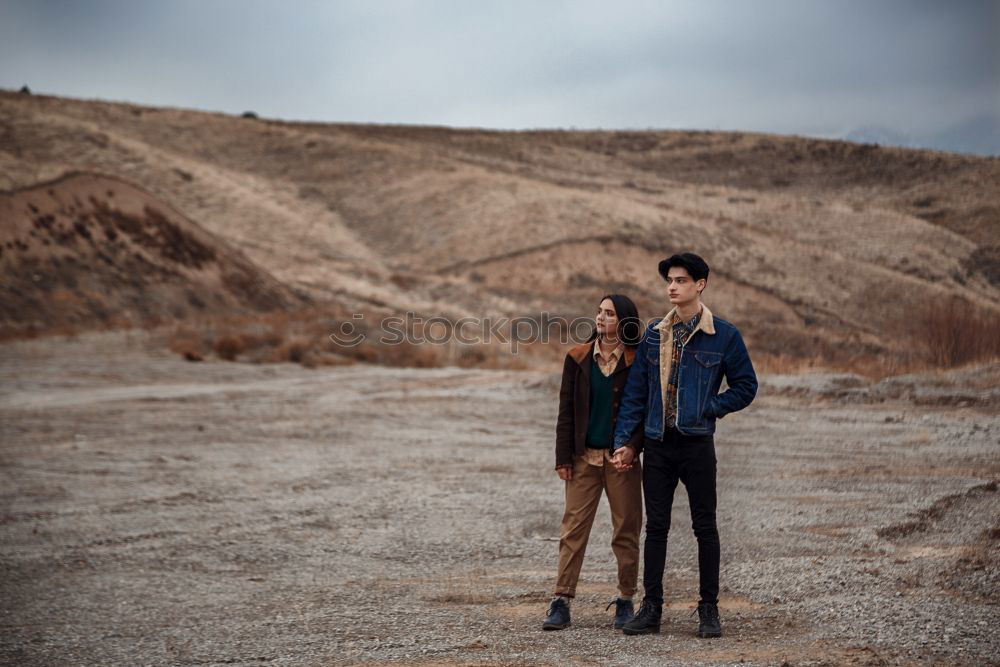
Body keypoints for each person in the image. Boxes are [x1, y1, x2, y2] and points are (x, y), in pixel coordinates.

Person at [611, 253, 757, 638]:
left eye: (680, 280)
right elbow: (635, 396)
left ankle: (708, 610)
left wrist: (711, 407)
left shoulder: (723, 335)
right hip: (658, 445)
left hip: (696, 445)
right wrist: (625, 441)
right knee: (655, 528)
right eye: (669, 281)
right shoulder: (655, 334)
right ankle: (651, 609)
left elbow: (746, 386)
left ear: (700, 284)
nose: (672, 286)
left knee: (705, 527)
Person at [543, 294, 645, 631]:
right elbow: (566, 411)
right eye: (599, 312)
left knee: (626, 530)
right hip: (583, 459)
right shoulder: (577, 357)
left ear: (625, 321)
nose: (601, 318)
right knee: (573, 529)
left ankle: (626, 600)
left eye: (610, 313)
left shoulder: (637, 360)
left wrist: (633, 447)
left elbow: (645, 412)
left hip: (622, 462)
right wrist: (562, 457)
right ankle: (561, 600)